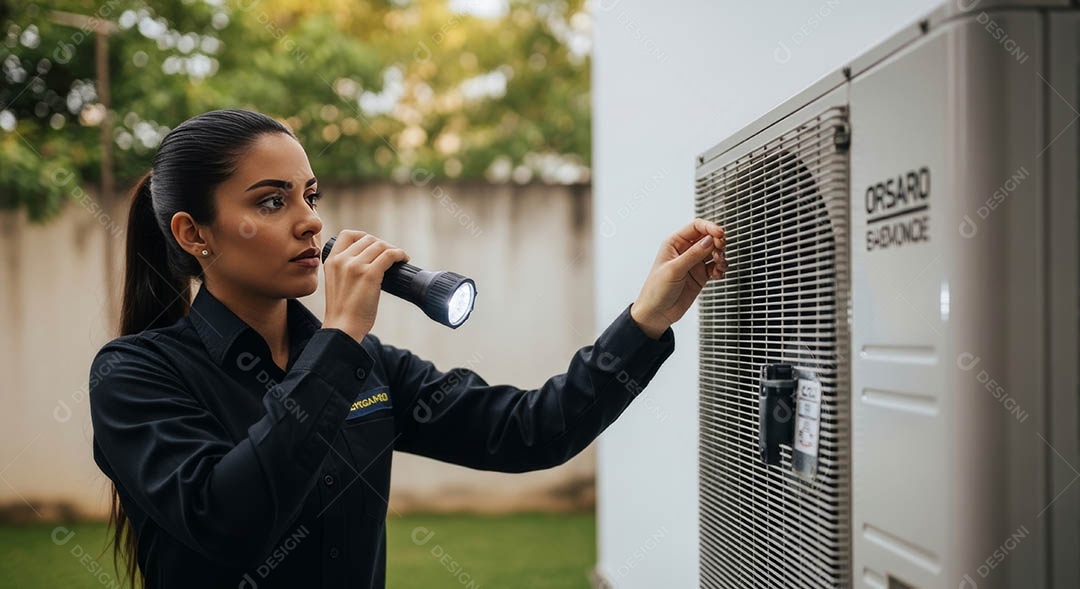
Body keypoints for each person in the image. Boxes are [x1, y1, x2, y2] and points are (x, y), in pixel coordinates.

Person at [88, 109, 727, 588]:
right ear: (193, 232)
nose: (310, 219)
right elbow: (225, 519)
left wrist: (646, 319)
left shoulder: (365, 365)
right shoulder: (136, 376)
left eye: (310, 195)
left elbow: (532, 431)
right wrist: (338, 338)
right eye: (272, 200)